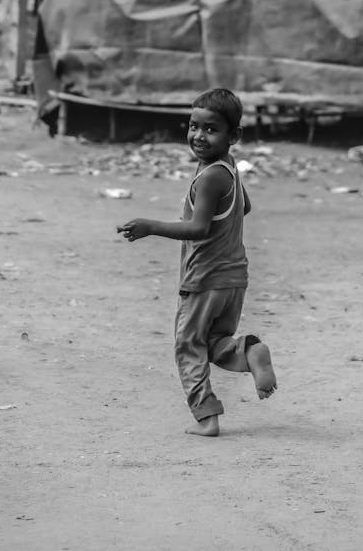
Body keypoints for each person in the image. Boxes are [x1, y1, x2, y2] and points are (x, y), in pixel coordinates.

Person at [117, 88, 277, 437]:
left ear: (233, 135)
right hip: (234, 276)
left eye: (210, 129)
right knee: (214, 340)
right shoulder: (227, 168)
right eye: (194, 126)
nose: (198, 136)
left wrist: (150, 227)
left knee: (188, 346)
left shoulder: (209, 177)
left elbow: (199, 228)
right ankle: (248, 351)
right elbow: (243, 206)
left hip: (204, 278)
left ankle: (206, 416)